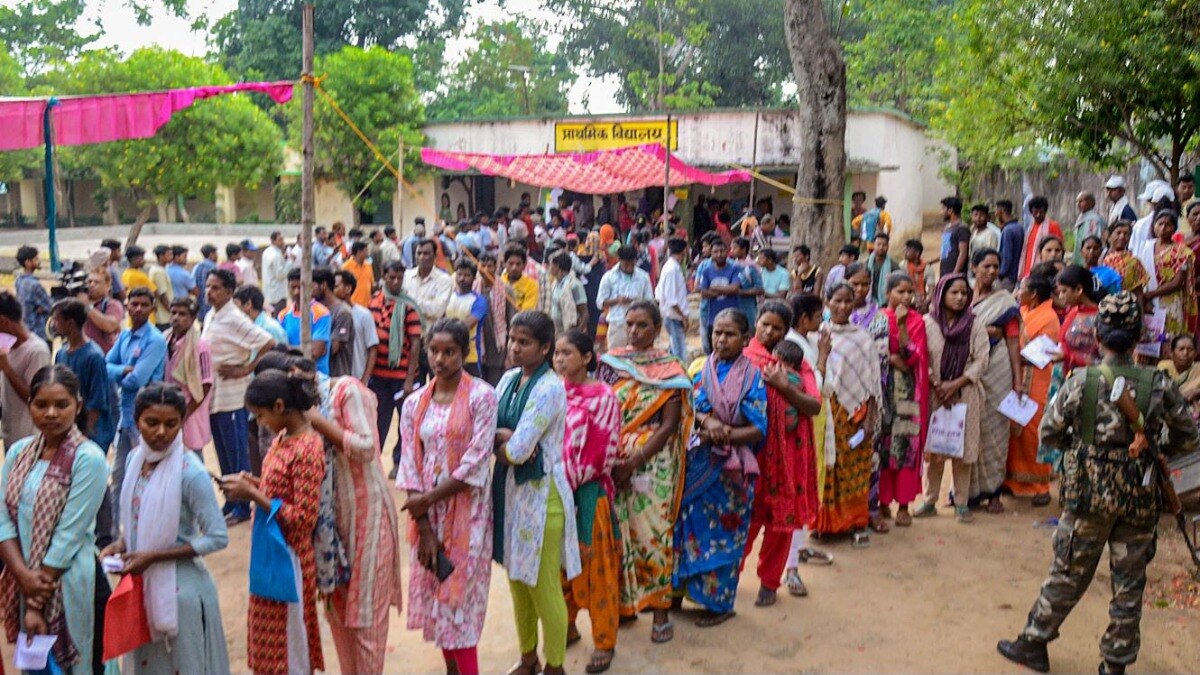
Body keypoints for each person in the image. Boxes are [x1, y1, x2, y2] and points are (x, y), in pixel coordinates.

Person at [997, 291, 1199, 675]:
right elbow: (1188, 438)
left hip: (1088, 496)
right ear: (1139, 335)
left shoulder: (1079, 383)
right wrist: (1151, 445)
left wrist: (1085, 447)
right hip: (1139, 497)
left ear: (1099, 337)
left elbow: (1051, 434)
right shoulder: (1160, 384)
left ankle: (1034, 642)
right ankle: (1115, 664)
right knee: (1129, 584)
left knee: (1069, 571)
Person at [278, 355, 403, 675]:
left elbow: (365, 448)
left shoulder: (346, 391)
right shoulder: (292, 417)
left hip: (367, 515)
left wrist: (317, 421)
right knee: (338, 614)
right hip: (330, 526)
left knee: (365, 619)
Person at [99, 382, 230, 675]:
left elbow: (217, 537)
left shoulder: (189, 472)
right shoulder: (135, 460)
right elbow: (135, 517)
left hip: (181, 595)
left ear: (182, 423)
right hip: (142, 590)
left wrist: (154, 556)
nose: (161, 432)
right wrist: (122, 544)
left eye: (171, 424)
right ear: (136, 421)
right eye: (152, 423)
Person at [397, 319, 495, 675]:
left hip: (467, 516)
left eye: (449, 351)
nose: (440, 359)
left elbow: (476, 462)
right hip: (428, 518)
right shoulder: (413, 404)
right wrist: (423, 525)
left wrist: (428, 499)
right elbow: (409, 461)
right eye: (434, 351)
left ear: (464, 352)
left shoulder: (482, 397)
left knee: (460, 604)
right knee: (437, 595)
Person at [0, 365, 108, 675]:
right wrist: (22, 575)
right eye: (41, 404)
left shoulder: (88, 459)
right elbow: (3, 519)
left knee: (78, 665)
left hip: (71, 583)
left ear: (77, 404)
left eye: (61, 404)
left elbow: (68, 535)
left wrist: (35, 602)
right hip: (28, 582)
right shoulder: (19, 453)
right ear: (30, 404)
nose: (51, 413)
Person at [219, 370, 325, 675]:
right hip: (271, 552)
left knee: (288, 649)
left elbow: (304, 518)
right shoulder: (283, 437)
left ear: (280, 406)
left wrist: (254, 494)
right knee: (270, 646)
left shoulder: (307, 449)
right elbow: (278, 488)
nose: (259, 422)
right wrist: (253, 483)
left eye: (260, 414)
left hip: (289, 559)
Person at [595, 301, 690, 641]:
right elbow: (600, 408)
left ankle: (660, 612)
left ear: (657, 327)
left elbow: (669, 426)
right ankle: (625, 604)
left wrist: (634, 461)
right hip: (613, 458)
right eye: (630, 324)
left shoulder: (671, 368)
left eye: (642, 326)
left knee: (653, 535)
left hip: (652, 463)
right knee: (618, 534)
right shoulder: (612, 364)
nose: (634, 332)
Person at [493, 311, 579, 675]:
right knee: (517, 581)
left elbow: (515, 450)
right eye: (513, 339)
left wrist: (505, 441)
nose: (515, 347)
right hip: (511, 493)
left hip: (543, 496)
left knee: (543, 587)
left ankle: (555, 666)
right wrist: (508, 440)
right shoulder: (511, 378)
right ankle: (528, 656)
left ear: (545, 348)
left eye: (524, 342)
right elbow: (496, 435)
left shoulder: (548, 388)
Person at [674, 308, 766, 626]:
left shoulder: (753, 376)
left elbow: (758, 427)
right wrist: (707, 421)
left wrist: (725, 433)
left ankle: (719, 604)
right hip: (699, 460)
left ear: (745, 338)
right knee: (687, 527)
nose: (721, 340)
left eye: (729, 334)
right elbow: (691, 407)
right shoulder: (701, 369)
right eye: (717, 333)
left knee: (725, 534)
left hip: (732, 471)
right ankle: (682, 593)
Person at [742, 301, 822, 607]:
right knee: (744, 521)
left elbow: (813, 405)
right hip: (752, 453)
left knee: (780, 524)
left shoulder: (797, 363)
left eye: (777, 327)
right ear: (756, 323)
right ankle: (728, 578)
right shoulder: (745, 357)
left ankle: (769, 583)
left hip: (788, 456)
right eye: (766, 324)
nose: (770, 331)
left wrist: (784, 388)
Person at [555, 330, 622, 673]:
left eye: (567, 352)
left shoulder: (603, 396)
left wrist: (569, 479)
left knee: (597, 569)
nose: (560, 359)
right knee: (558, 568)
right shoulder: (553, 393)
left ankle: (605, 640)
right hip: (555, 495)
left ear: (586, 356)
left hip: (588, 493)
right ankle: (565, 626)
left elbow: (601, 451)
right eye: (556, 353)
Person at [201, 269, 276, 525]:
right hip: (215, 397)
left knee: (236, 453)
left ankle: (243, 506)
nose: (209, 292)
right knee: (223, 452)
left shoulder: (234, 318)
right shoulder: (212, 315)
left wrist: (245, 369)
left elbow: (268, 342)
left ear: (230, 292)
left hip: (233, 398)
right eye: (207, 287)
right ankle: (231, 499)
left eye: (216, 288)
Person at [914, 273, 988, 523]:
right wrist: (937, 384)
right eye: (953, 292)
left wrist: (954, 384)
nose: (959, 298)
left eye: (963, 293)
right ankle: (930, 499)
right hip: (935, 395)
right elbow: (921, 357)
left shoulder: (975, 325)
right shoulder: (927, 323)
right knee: (934, 447)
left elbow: (982, 359)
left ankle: (962, 502)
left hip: (965, 394)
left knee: (963, 449)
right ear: (941, 294)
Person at [813, 283, 882, 546]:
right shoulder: (819, 335)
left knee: (855, 469)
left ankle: (855, 522)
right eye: (837, 301)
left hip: (855, 414)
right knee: (828, 468)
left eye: (848, 301)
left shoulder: (863, 338)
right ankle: (825, 524)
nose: (842, 306)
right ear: (827, 302)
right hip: (826, 412)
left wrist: (869, 419)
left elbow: (873, 384)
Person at [106, 287, 167, 525]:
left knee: (148, 478)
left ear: (152, 309)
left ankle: (147, 530)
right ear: (127, 306)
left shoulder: (155, 340)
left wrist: (118, 372)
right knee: (119, 477)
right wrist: (122, 369)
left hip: (147, 417)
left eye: (144, 304)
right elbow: (105, 365)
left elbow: (137, 380)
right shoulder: (124, 336)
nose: (138, 308)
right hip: (126, 416)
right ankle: (112, 534)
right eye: (134, 304)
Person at [967, 250, 1022, 513]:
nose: (991, 271)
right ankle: (966, 493)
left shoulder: (1005, 302)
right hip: (969, 370)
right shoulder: (961, 295)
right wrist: (981, 330)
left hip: (998, 368)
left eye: (996, 267)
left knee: (997, 432)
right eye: (986, 266)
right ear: (973, 267)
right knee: (970, 430)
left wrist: (1018, 381)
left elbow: (1013, 341)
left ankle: (994, 493)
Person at [875, 272, 929, 527]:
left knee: (907, 446)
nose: (907, 297)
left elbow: (912, 358)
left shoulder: (917, 322)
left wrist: (904, 325)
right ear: (888, 294)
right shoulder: (878, 319)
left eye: (910, 292)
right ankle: (883, 501)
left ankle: (904, 504)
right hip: (884, 391)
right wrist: (891, 358)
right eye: (901, 292)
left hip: (908, 394)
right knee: (884, 444)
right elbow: (876, 353)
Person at [1004, 272, 1060, 502]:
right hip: (1017, 377)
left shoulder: (1049, 318)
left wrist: (1008, 351)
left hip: (1036, 381)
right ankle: (1013, 480)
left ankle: (1039, 487)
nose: (1018, 293)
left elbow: (1039, 354)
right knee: (1013, 433)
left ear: (1034, 294)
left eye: (1022, 288)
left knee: (1032, 433)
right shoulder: (1025, 311)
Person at [845, 263, 891, 533]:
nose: (860, 290)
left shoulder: (878, 319)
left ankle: (870, 509)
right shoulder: (834, 314)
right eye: (854, 284)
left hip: (869, 395)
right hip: (840, 397)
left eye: (865, 284)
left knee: (870, 454)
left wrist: (869, 397)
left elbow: (881, 360)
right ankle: (844, 513)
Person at [367, 261, 424, 471]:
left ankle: (399, 462)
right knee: (378, 419)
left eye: (400, 278)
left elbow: (416, 342)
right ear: (383, 276)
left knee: (405, 421)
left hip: (402, 376)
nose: (396, 282)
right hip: (379, 375)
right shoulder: (373, 303)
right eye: (392, 277)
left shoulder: (409, 306)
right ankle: (374, 464)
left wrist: (410, 379)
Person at [51, 300, 116, 456]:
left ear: (70, 324)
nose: (53, 324)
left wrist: (83, 435)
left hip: (92, 432)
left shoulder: (93, 357)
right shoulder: (61, 354)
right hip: (69, 428)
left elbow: (97, 402)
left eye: (56, 320)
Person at [0, 291, 52, 448]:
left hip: (29, 439)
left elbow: (37, 399)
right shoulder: (7, 345)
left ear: (3, 322)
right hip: (11, 434)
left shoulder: (37, 351)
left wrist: (6, 368)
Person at [163, 297, 214, 454]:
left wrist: (185, 412)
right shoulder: (165, 339)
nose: (177, 317)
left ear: (192, 319)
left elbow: (206, 384)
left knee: (192, 457)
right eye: (174, 313)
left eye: (183, 314)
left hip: (191, 409)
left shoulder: (200, 346)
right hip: (168, 406)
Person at [1143, 210, 1194, 356]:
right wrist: (1144, 299)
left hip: (1170, 305)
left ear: (1174, 228)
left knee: (1169, 340)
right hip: (1148, 303)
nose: (1164, 228)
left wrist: (1150, 294)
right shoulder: (1147, 248)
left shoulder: (1182, 252)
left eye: (1168, 225)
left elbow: (1177, 282)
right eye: (1160, 224)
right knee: (1149, 343)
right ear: (1154, 226)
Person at [597, 246, 654, 351]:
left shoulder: (643, 276)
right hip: (617, 324)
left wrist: (636, 301)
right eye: (626, 265)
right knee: (616, 358)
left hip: (639, 325)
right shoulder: (609, 277)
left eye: (632, 265)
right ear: (619, 261)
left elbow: (650, 300)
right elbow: (600, 302)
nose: (629, 268)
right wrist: (618, 300)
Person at [279, 268, 332, 374]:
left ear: (309, 287)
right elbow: (278, 350)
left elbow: (315, 352)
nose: (296, 292)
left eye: (300, 287)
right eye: (293, 287)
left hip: (316, 376)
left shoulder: (321, 313)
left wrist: (287, 349)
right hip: (291, 375)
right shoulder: (283, 315)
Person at [445, 259, 490, 379]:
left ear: (474, 278)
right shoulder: (448, 296)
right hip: (447, 353)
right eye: (459, 274)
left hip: (470, 356)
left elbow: (464, 327)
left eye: (467, 275)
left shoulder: (479, 301)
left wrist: (444, 328)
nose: (462, 278)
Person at [334, 271, 380, 381]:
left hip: (357, 377)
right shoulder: (329, 314)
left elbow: (373, 348)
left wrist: (364, 379)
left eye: (336, 286)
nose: (332, 290)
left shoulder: (364, 315)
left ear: (348, 289)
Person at [698, 239, 742, 353]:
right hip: (713, 318)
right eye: (715, 252)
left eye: (722, 251)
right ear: (711, 254)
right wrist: (726, 290)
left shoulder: (734, 268)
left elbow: (735, 288)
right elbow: (703, 293)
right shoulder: (706, 271)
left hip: (732, 317)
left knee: (733, 349)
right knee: (713, 350)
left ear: (727, 252)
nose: (719, 254)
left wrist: (714, 289)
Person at [474, 253, 512, 386]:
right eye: (482, 265)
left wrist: (508, 352)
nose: (485, 269)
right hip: (477, 346)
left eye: (489, 266)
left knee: (495, 385)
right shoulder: (473, 288)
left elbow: (511, 320)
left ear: (496, 267)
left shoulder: (505, 289)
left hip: (497, 347)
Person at [313, 268, 356, 378]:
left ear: (323, 285)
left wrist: (316, 347)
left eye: (312, 286)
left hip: (337, 376)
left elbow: (332, 348)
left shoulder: (343, 313)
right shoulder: (314, 311)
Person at [656, 237, 690, 361]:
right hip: (674, 316)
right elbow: (671, 299)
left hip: (674, 316)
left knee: (675, 348)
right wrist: (683, 317)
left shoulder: (671, 267)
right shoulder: (672, 269)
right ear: (683, 252)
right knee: (679, 353)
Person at [14, 245, 52, 341]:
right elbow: (51, 306)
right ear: (27, 262)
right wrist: (41, 308)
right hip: (38, 332)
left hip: (26, 330)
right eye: (36, 258)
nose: (38, 261)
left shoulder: (19, 280)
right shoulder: (35, 285)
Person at [1102, 221, 1149, 298]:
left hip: (1126, 305)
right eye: (1118, 233)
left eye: (1126, 234)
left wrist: (1140, 309)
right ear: (1109, 236)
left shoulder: (1134, 262)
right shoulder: (1099, 258)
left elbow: (1138, 291)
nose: (1122, 237)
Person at [82, 268, 124, 354]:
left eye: (96, 282)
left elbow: (109, 326)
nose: (92, 285)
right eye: (89, 282)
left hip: (104, 357)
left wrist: (87, 307)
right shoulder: (80, 303)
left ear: (107, 286)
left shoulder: (112, 304)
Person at [1159, 334, 1200, 419]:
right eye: (1181, 349)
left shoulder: (1198, 369)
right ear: (1171, 353)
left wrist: (1197, 392)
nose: (1185, 353)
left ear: (1195, 353)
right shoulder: (1164, 366)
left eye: (1190, 350)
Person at [1021, 197, 1064, 278]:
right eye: (1035, 212)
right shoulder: (1030, 227)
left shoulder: (1053, 226)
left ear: (1045, 211)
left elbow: (1059, 248)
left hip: (1045, 272)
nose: (1038, 215)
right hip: (1029, 270)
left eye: (1041, 212)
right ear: (1031, 212)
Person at [548, 253, 588, 335]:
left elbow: (584, 312)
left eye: (551, 265)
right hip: (557, 331)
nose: (549, 268)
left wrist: (577, 333)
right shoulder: (555, 283)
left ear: (557, 267)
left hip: (570, 331)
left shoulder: (574, 285)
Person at [730, 238, 764, 327]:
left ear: (744, 249)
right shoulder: (731, 266)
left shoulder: (752, 267)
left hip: (748, 308)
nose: (732, 251)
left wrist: (739, 292)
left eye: (735, 248)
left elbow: (759, 289)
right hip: (733, 307)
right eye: (731, 248)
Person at [939, 196, 971, 277]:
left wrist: (955, 273)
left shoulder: (962, 228)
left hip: (954, 274)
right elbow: (946, 251)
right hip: (944, 272)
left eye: (943, 209)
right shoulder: (947, 228)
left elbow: (963, 253)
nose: (941, 212)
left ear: (950, 210)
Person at [503, 245, 539, 312]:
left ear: (524, 265)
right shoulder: (499, 282)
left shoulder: (531, 286)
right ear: (504, 264)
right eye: (511, 264)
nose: (514, 268)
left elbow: (526, 312)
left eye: (518, 264)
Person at [997, 199, 1024, 289]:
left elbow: (1006, 256)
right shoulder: (1019, 227)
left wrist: (1001, 273)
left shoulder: (1007, 230)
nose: (996, 214)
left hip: (1008, 277)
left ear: (1001, 211)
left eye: (997, 211)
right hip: (1017, 274)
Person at [1071, 192, 1105, 263]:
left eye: (1081, 201)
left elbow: (1096, 240)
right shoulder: (1081, 218)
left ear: (1091, 203)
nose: (1078, 204)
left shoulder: (1094, 220)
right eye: (1077, 202)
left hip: (1089, 258)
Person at [261, 231, 290, 311]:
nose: (283, 242)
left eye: (283, 239)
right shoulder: (276, 255)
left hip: (270, 291)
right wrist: (290, 262)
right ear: (273, 241)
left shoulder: (267, 251)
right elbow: (280, 275)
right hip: (278, 293)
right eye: (280, 240)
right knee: (279, 317)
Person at [902, 239, 935, 310]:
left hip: (922, 299)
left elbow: (931, 289)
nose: (905, 252)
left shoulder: (928, 269)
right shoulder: (902, 266)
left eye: (908, 250)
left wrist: (926, 302)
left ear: (917, 253)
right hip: (906, 298)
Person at [148, 245, 176, 329]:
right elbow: (162, 295)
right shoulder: (159, 272)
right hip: (164, 317)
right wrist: (171, 311)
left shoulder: (160, 269)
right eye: (169, 255)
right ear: (161, 256)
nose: (171, 257)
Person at [865, 233, 896, 306]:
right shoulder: (866, 264)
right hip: (868, 300)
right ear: (873, 245)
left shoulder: (893, 266)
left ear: (888, 246)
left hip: (886, 302)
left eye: (884, 245)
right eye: (878, 244)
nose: (881, 247)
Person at [342, 241, 376, 308]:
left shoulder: (368, 265)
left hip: (367, 305)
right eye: (366, 250)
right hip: (352, 305)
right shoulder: (346, 267)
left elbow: (372, 284)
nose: (368, 253)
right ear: (359, 252)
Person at [193, 244, 218, 318]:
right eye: (215, 254)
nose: (217, 256)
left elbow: (192, 285)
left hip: (200, 303)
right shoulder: (215, 268)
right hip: (212, 301)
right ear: (211, 254)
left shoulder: (197, 267)